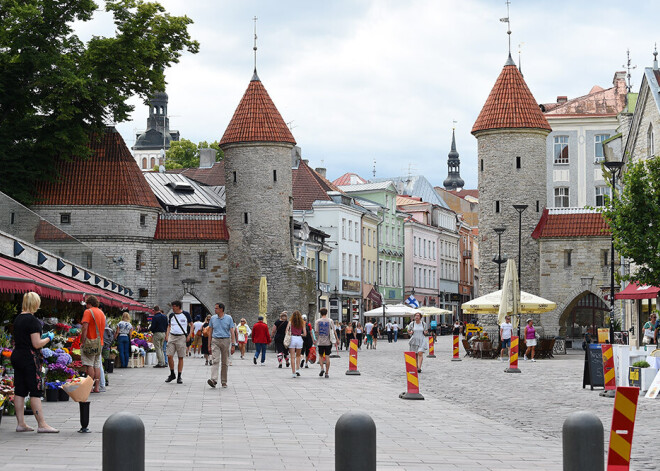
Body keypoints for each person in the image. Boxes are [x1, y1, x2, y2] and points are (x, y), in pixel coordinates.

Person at [11, 292, 58, 433]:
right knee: (35, 390)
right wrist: (49, 338)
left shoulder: (18, 319)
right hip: (29, 358)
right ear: (35, 303)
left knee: (19, 390)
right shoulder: (33, 321)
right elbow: (36, 344)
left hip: (17, 355)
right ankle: (42, 424)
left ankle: (21, 423)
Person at [81, 295, 106, 393]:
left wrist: (83, 341)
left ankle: (90, 387)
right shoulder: (101, 312)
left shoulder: (88, 312)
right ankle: (97, 387)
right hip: (100, 342)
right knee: (97, 364)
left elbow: (84, 327)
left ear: (89, 303)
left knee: (89, 364)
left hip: (90, 341)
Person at [207, 303, 236, 388]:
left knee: (224, 362)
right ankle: (213, 380)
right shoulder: (212, 318)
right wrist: (209, 345)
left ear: (221, 309)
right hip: (215, 340)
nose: (215, 310)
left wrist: (233, 344)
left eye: (216, 308)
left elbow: (232, 332)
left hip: (226, 340)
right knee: (215, 360)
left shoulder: (229, 318)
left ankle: (224, 381)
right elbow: (210, 332)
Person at [165, 300, 192, 384]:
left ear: (178, 307)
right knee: (169, 356)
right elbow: (169, 326)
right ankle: (172, 373)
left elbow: (192, 324)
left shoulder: (186, 314)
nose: (172, 308)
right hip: (172, 336)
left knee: (180, 357)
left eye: (174, 306)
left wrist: (189, 335)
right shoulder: (171, 315)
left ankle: (179, 376)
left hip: (181, 337)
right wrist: (167, 335)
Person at [315, 308, 336, 378]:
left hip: (320, 342)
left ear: (320, 313)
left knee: (320, 356)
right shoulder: (330, 321)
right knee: (327, 356)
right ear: (326, 313)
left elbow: (316, 331)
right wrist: (337, 339)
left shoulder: (317, 321)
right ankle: (327, 372)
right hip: (328, 342)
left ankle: (322, 368)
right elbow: (334, 331)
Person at [287, 310, 307, 378]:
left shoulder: (290, 322)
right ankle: (298, 369)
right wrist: (300, 334)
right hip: (299, 339)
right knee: (298, 356)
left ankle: (293, 372)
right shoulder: (302, 323)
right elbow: (305, 334)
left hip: (292, 338)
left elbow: (286, 331)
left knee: (292, 356)